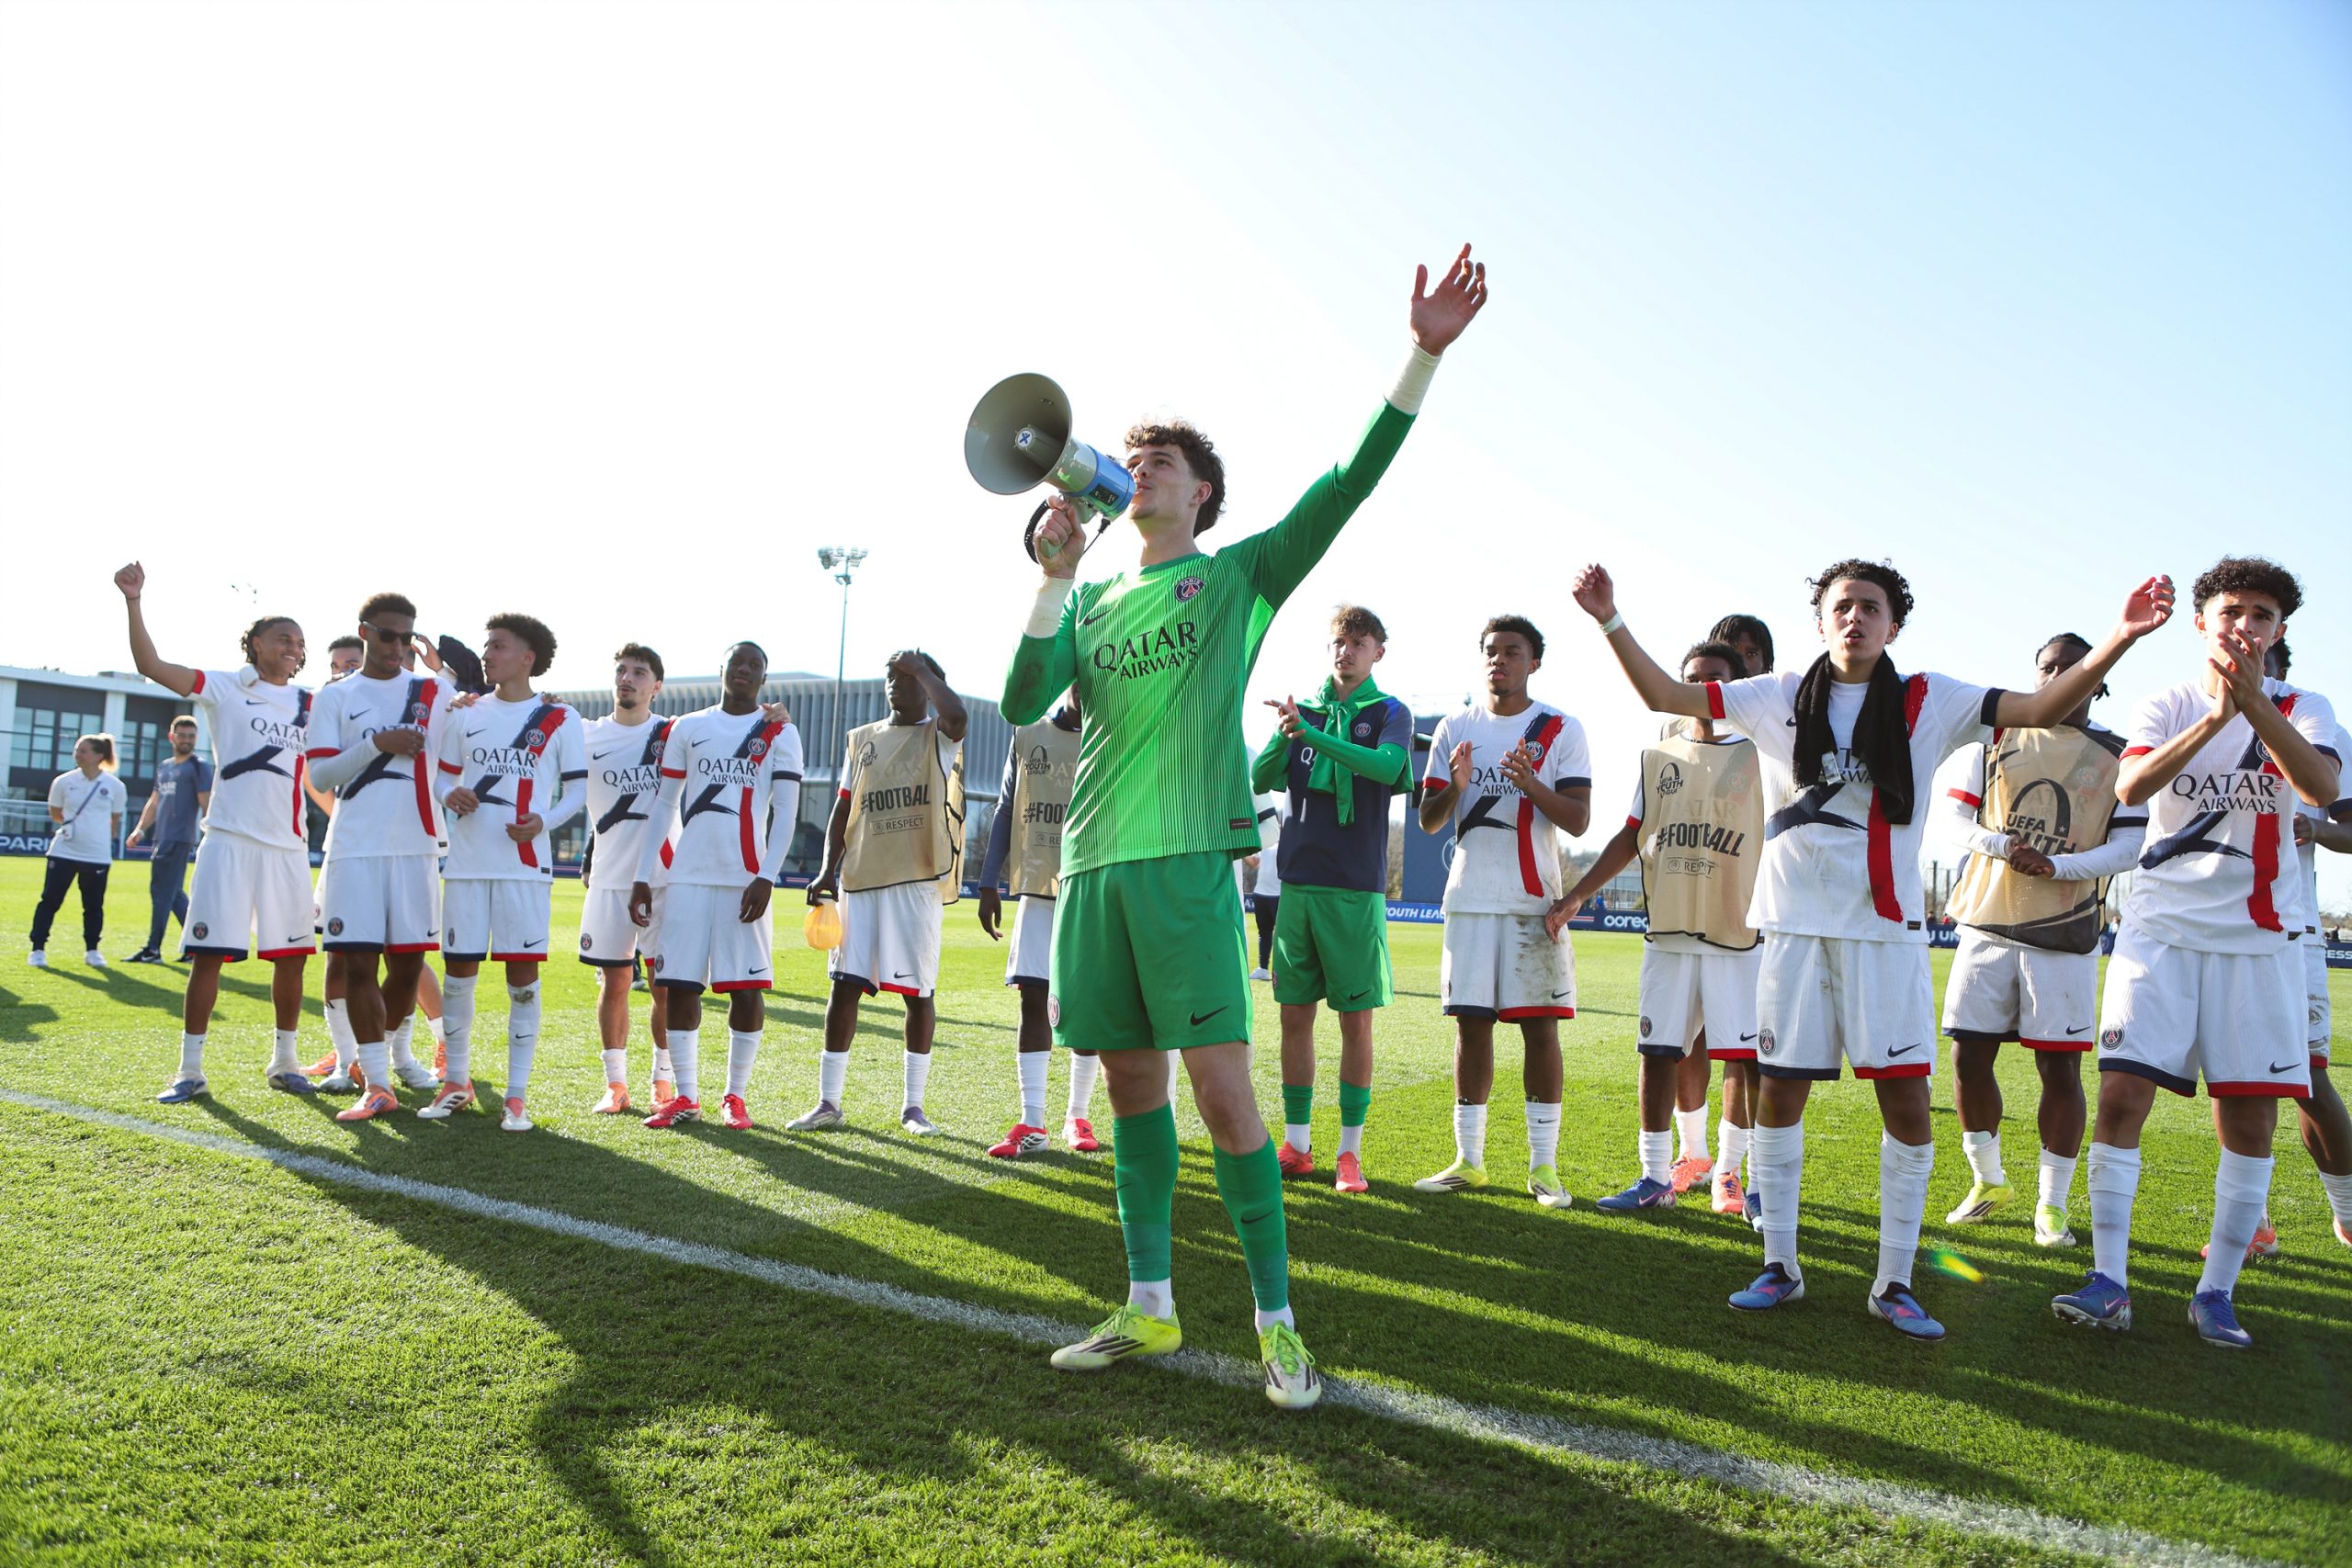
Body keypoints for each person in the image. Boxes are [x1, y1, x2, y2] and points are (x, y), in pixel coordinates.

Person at [1001, 244, 1487, 1409]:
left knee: (1222, 1092)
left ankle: (1278, 1323)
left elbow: (1345, 483)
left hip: (1184, 870)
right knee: (1128, 1086)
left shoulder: (1238, 577)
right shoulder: (1100, 596)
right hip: (1093, 868)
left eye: (1159, 459)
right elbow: (1023, 706)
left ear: (1199, 493)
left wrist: (1419, 353)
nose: (1139, 469)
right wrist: (1054, 576)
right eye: (1129, 460)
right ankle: (1151, 1305)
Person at [1573, 556, 2171, 1341]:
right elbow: (1666, 696)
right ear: (1821, 621)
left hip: (1883, 934)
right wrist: (1611, 619)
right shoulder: (1777, 694)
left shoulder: (1930, 698)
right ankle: (1779, 1265)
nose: (1855, 617)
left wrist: (2121, 638)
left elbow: (2041, 701)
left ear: (1895, 623)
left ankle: (1894, 1280)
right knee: (1779, 1094)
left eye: (1871, 606)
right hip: (1791, 930)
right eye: (1842, 606)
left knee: (1907, 1103)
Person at [2050, 558, 2335, 1348]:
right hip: (2161, 934)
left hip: (2259, 943)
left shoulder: (2306, 706)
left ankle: (2217, 1291)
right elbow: (2132, 787)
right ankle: (2110, 1281)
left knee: (2249, 1117)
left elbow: (2316, 786)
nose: (2247, 625)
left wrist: (2253, 709)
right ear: (2204, 623)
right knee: (2121, 1102)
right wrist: (2214, 718)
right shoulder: (2165, 701)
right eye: (2233, 611)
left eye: (2264, 616)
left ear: (2278, 633)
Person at [1933, 633, 2145, 1247]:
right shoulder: (1996, 736)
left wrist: (2058, 867)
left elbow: (2130, 846)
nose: (2057, 678)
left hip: (2064, 934)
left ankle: (2051, 1206)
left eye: (2071, 669)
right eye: (2048, 669)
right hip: (1985, 923)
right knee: (1968, 1057)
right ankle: (1988, 1179)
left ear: (2096, 680)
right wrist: (2003, 846)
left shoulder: (2119, 755)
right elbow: (1952, 817)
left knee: (2059, 1068)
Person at [1550, 639, 1759, 1219]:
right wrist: (1575, 897)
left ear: (1736, 686)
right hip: (1668, 930)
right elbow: (1630, 834)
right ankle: (1654, 1175)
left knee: (1743, 1058)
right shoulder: (1661, 753)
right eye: (1691, 678)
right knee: (1658, 1049)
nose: (1700, 688)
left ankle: (1732, 1173)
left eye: (1713, 678)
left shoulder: (1764, 754)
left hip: (1737, 935)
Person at [114, 565, 319, 1100]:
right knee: (208, 958)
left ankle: (285, 1061)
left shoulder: (312, 704)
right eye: (283, 639)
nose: (294, 648)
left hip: (289, 848)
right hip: (227, 841)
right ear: (254, 644)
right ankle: (190, 1070)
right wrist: (134, 602)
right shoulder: (224, 687)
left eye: (300, 642)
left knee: (291, 959)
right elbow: (150, 665)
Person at [1413, 614, 1591, 1207]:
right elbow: (1429, 819)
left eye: (1512, 651)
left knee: (1540, 1030)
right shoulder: (1455, 727)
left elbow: (1578, 819)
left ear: (1533, 661)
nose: (1500, 660)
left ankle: (1544, 1168)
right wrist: (1457, 786)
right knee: (1471, 1025)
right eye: (1491, 650)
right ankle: (1470, 1159)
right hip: (1469, 900)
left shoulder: (1560, 728)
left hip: (1532, 901)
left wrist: (1530, 782)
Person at [1251, 604, 1416, 1194]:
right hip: (1297, 883)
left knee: (1355, 1023)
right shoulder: (1306, 713)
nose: (1346, 651)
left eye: (1360, 642)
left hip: (1354, 888)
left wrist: (1315, 733)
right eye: (1339, 641)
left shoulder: (1390, 712)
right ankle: (1297, 1145)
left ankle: (1350, 1153)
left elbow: (1388, 767)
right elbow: (1262, 778)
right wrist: (1286, 731)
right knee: (1293, 1017)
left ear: (1378, 652)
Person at [416, 615, 586, 1131]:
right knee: (458, 978)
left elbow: (577, 792)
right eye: (488, 646)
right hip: (466, 866)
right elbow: (440, 778)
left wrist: (544, 822)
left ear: (527, 657)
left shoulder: (560, 717)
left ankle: (516, 1096)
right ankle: (457, 1084)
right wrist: (451, 795)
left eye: (497, 646)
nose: (486, 654)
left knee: (523, 982)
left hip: (524, 869)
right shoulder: (463, 711)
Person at [630, 641, 803, 1131]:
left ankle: (735, 1096)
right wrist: (644, 875)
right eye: (737, 662)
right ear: (721, 669)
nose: (744, 670)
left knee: (745, 989)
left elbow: (786, 811)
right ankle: (686, 1096)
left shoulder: (779, 731)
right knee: (678, 984)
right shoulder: (689, 727)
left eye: (755, 665)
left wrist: (766, 875)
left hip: (743, 879)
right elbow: (664, 804)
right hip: (686, 877)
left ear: (763, 678)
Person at [795, 651, 968, 1135]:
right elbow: (842, 810)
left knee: (917, 993)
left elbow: (957, 716)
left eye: (907, 677)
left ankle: (914, 1107)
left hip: (915, 881)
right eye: (892, 677)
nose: (897, 684)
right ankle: (828, 1102)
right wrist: (828, 870)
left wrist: (925, 671)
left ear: (929, 682)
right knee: (844, 986)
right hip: (861, 879)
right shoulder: (862, 741)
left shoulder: (938, 735)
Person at [302, 591, 457, 1122]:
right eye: (387, 635)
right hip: (355, 847)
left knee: (410, 965)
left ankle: (391, 1058)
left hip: (416, 845)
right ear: (364, 632)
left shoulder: (432, 692)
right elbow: (320, 776)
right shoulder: (336, 697)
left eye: (406, 637)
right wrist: (379, 743)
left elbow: (477, 726)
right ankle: (376, 1081)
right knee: (358, 962)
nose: (396, 646)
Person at [976, 683, 1098, 1156]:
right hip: (1037, 886)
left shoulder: (1112, 737)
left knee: (1086, 1007)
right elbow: (1007, 807)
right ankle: (1033, 1124)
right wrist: (989, 880)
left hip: (1090, 885)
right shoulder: (1028, 734)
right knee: (1033, 997)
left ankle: (1078, 1116)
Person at [577, 643, 678, 1114]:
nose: (627, 678)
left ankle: (664, 1078)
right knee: (614, 983)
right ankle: (615, 1085)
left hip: (664, 877)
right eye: (621, 670)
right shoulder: (585, 734)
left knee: (664, 984)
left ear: (656, 686)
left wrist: (771, 715)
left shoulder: (675, 733)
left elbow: (731, 723)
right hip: (609, 879)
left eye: (639, 672)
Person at [28, 733, 126, 969]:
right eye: (77, 750)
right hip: (63, 851)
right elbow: (55, 812)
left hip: (97, 855)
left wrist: (103, 835)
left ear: (98, 756)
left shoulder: (115, 786)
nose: (77, 754)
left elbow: (115, 818)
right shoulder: (63, 781)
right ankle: (37, 949)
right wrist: (71, 827)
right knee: (50, 900)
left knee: (93, 905)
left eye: (83, 750)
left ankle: (92, 950)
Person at [124, 716, 210, 964]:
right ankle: (196, 946)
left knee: (162, 892)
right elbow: (155, 801)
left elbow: (206, 802)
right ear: (171, 737)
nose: (186, 740)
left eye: (191, 736)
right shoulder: (165, 766)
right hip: (162, 837)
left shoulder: (198, 766)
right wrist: (140, 829)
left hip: (179, 838)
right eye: (182, 735)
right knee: (172, 894)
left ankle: (153, 950)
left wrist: (208, 834)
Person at [1249, 795, 1283, 981]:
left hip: (1279, 895)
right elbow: (1254, 863)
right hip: (1261, 894)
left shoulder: (1286, 846)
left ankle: (1280, 969)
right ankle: (1263, 968)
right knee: (1264, 933)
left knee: (1281, 935)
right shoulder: (1264, 843)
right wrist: (1240, 852)